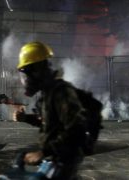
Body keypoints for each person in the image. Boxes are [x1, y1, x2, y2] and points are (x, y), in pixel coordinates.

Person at [14, 42, 88, 180]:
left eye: (26, 74)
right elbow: (48, 123)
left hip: (65, 160)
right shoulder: (47, 94)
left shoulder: (61, 92)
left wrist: (43, 152)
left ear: (37, 70)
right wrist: (26, 118)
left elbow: (77, 129)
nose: (25, 80)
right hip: (56, 158)